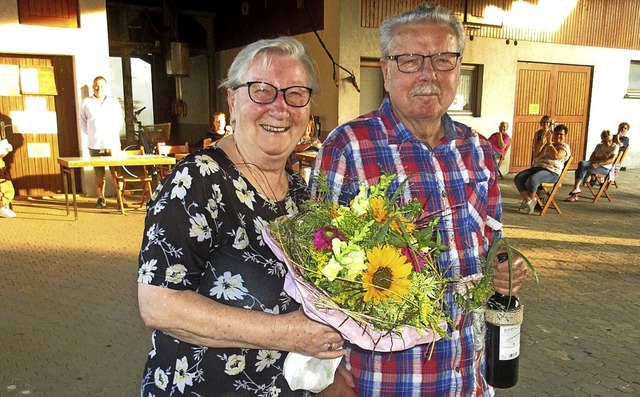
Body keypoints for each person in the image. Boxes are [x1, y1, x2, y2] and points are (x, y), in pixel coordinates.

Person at [310, 3, 528, 396]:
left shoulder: (478, 150)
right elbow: (315, 274)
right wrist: (327, 374)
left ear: (458, 68)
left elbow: (494, 241)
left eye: (443, 59)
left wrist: (503, 267)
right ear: (387, 70)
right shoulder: (348, 147)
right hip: (381, 382)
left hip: (467, 378)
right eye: (410, 60)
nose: (428, 73)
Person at [136, 37, 346, 396]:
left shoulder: (298, 190)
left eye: (296, 94)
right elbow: (159, 304)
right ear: (232, 102)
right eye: (262, 91)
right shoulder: (198, 180)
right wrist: (288, 334)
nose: (280, 108)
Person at [80, 76, 124, 208]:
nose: (99, 88)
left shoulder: (113, 103)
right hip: (95, 145)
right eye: (96, 86)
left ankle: (120, 198)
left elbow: (119, 121)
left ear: (106, 87)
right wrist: (94, 135)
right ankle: (101, 198)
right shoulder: (86, 102)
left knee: (117, 172)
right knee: (99, 174)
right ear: (93, 86)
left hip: (112, 144)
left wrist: (111, 135)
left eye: (102, 86)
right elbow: (83, 122)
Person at [514, 124, 571, 214]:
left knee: (532, 180)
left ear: (565, 136)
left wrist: (550, 145)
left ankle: (531, 202)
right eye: (556, 134)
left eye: (561, 134)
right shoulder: (547, 144)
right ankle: (529, 201)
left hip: (551, 172)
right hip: (538, 168)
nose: (558, 136)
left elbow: (556, 156)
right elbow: (535, 155)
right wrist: (543, 141)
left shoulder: (564, 147)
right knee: (519, 177)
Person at [565, 129, 618, 202]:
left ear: (612, 139)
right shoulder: (599, 146)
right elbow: (592, 158)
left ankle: (575, 194)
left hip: (605, 167)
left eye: (609, 141)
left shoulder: (615, 147)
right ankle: (576, 189)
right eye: (605, 141)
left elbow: (611, 160)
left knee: (582, 171)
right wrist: (601, 158)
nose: (608, 143)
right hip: (594, 164)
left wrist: (599, 163)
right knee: (582, 164)